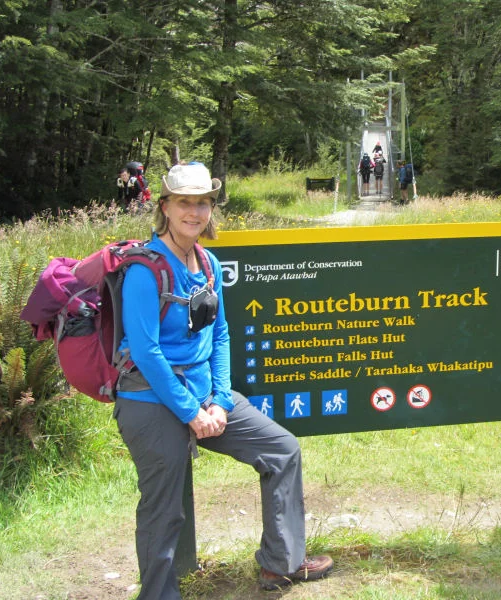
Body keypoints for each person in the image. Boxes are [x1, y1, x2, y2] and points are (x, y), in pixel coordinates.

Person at [113, 162, 333, 599]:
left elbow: (221, 333)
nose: (194, 212)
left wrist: (219, 401)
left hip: (203, 398)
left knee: (282, 450)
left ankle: (280, 563)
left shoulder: (209, 262)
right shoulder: (144, 270)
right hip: (150, 400)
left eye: (202, 203)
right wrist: (191, 412)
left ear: (211, 208)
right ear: (165, 207)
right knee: (165, 509)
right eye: (184, 202)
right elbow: (146, 352)